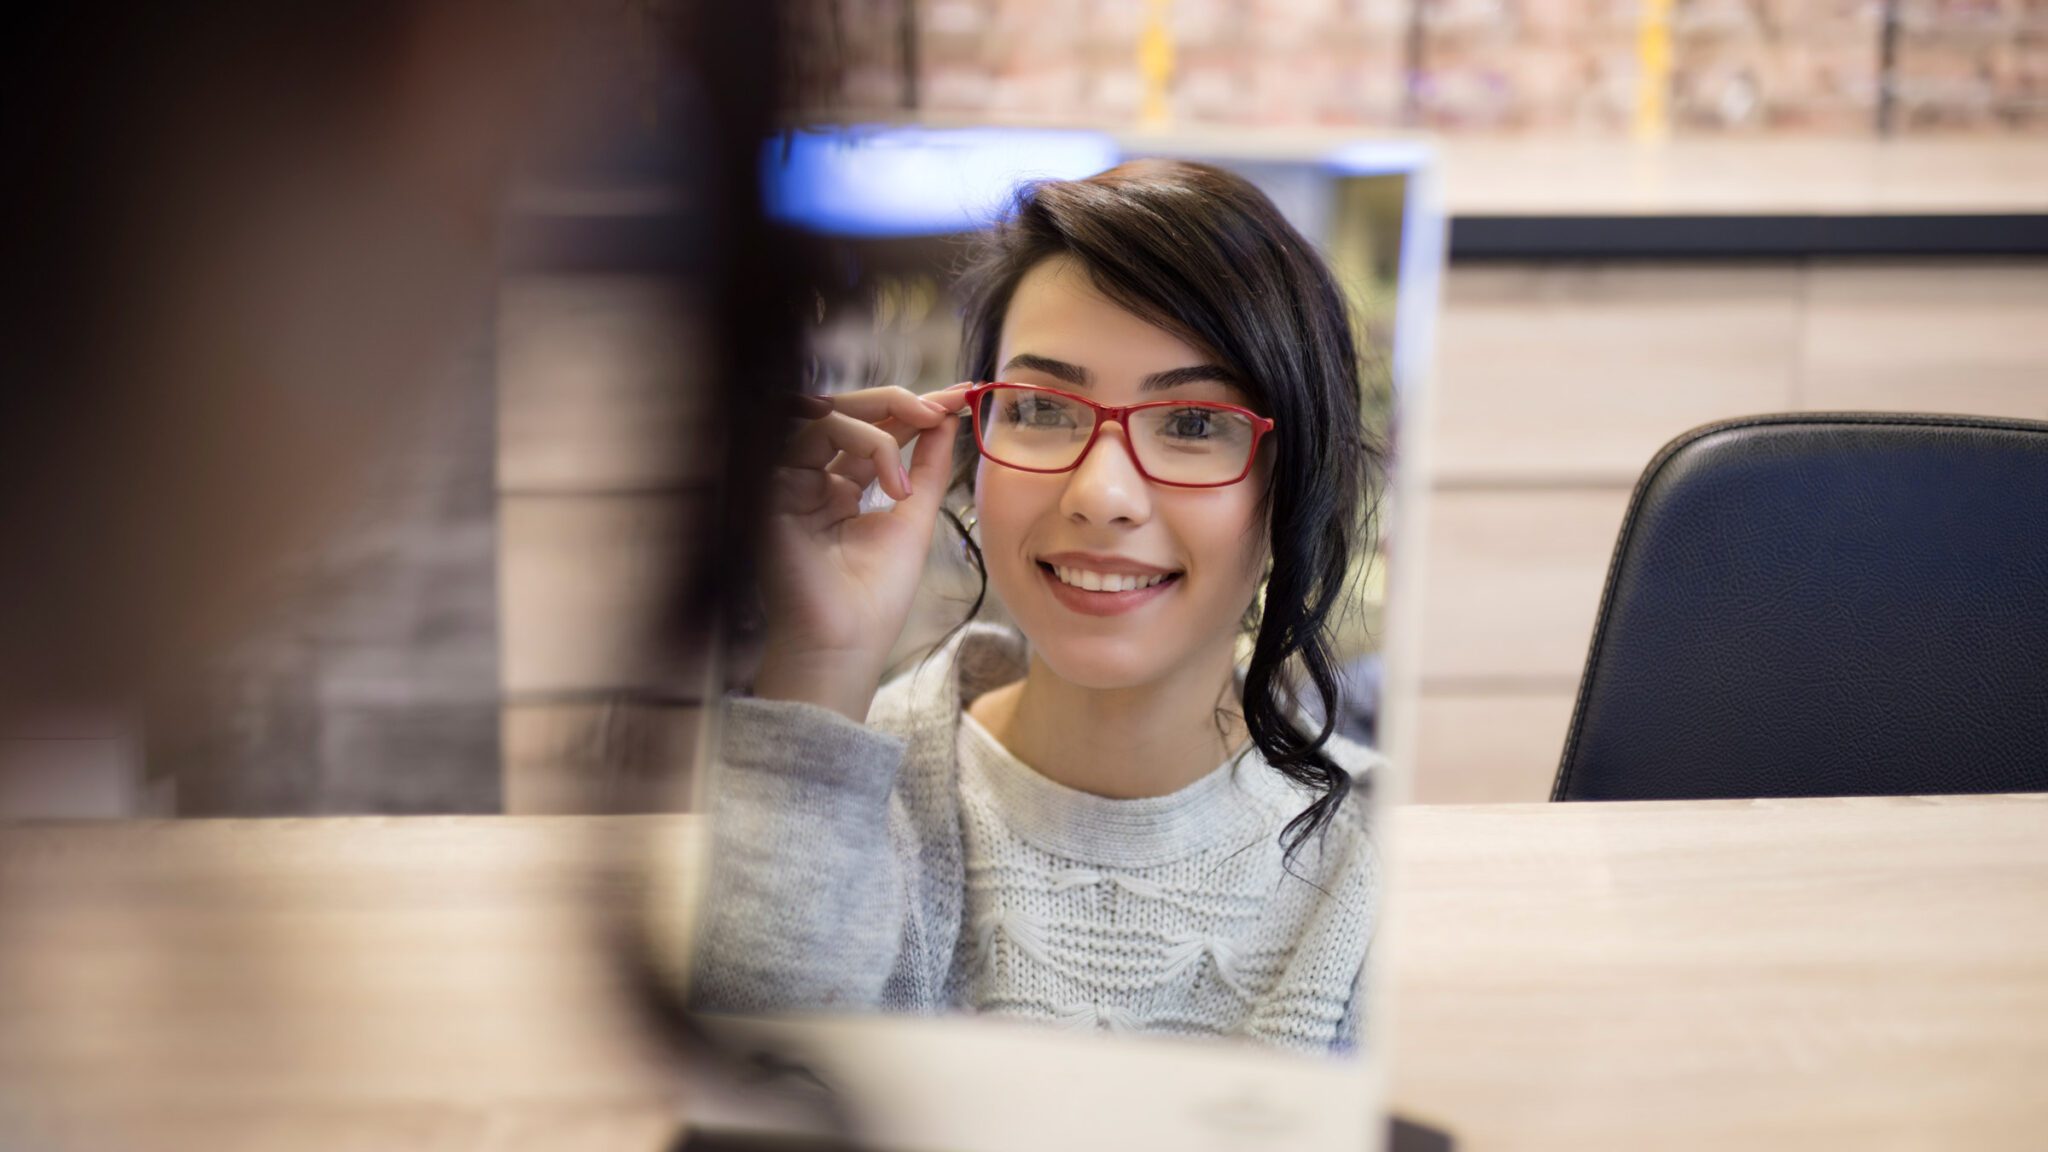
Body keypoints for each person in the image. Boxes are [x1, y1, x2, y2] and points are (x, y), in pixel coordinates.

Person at [691, 159, 1385, 1055]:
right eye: (1042, 408)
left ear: (1296, 489)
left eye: (1192, 424)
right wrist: (819, 669)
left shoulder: (1383, 859)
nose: (1102, 495)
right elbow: (744, 1094)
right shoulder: (834, 794)